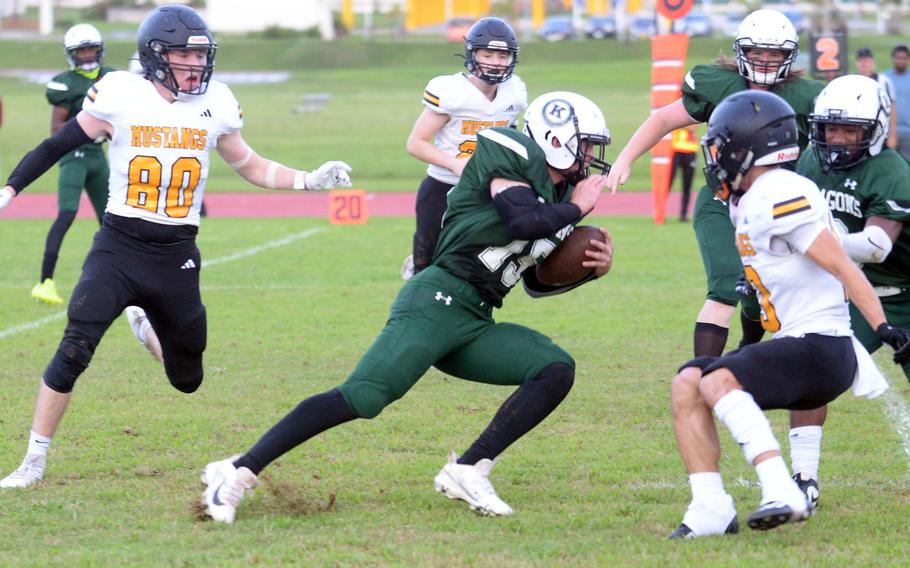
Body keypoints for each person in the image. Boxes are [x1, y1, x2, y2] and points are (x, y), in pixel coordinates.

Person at [198, 91, 613, 524]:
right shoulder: (510, 152)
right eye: (585, 144)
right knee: (363, 396)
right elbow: (523, 221)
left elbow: (531, 281)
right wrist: (579, 207)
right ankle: (238, 470)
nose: (589, 157)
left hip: (475, 317)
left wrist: (588, 268)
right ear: (554, 136)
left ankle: (470, 468)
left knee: (553, 367)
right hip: (435, 301)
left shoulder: (558, 193)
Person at [0, 5, 352, 489]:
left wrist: (309, 181)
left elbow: (250, 165)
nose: (195, 64)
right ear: (156, 55)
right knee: (75, 345)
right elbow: (57, 144)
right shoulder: (121, 93)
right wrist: (12, 187)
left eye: (200, 55)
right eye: (185, 54)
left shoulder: (218, 102)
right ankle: (32, 462)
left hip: (176, 252)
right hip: (119, 244)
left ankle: (144, 325)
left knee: (188, 379)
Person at [668, 89, 910, 539]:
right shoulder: (755, 196)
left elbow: (840, 262)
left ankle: (783, 489)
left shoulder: (779, 192)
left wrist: (880, 325)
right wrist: (747, 343)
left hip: (822, 347)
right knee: (687, 382)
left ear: (746, 148)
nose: (715, 156)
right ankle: (710, 508)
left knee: (717, 381)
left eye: (722, 146)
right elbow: (763, 292)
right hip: (795, 343)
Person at [605, 9, 825, 358]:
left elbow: (829, 151)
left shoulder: (808, 96)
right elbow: (663, 118)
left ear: (789, 56)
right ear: (741, 51)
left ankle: (746, 352)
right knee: (726, 286)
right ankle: (698, 379)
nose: (765, 61)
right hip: (724, 199)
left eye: (774, 54)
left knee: (759, 292)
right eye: (757, 52)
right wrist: (625, 158)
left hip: (778, 207)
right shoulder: (718, 84)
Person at [784, 74, 910, 509]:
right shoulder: (810, 163)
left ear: (872, 130)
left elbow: (876, 246)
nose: (836, 139)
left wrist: (822, 240)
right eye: (829, 128)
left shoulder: (890, 169)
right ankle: (803, 478)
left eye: (849, 129)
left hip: (904, 291)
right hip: (854, 293)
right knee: (812, 372)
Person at [401, 17, 527, 280]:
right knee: (426, 267)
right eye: (488, 54)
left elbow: (510, 137)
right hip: (444, 187)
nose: (495, 61)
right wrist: (456, 164)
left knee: (476, 265)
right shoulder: (452, 91)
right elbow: (415, 143)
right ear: (472, 54)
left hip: (485, 191)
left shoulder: (514, 93)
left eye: (502, 55)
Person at [30, 24, 114, 305]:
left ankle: (111, 277)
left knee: (112, 221)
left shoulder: (112, 78)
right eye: (81, 50)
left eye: (91, 48)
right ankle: (45, 282)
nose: (87, 54)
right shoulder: (65, 84)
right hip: (73, 155)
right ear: (71, 54)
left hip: (98, 158)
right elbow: (57, 130)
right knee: (66, 214)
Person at [855, 48, 898, 149]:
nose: (863, 63)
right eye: (861, 60)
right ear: (857, 62)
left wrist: (893, 135)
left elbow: (891, 108)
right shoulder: (852, 80)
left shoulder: (884, 81)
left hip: (880, 129)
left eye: (866, 60)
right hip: (857, 127)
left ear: (872, 62)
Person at [884, 45, 910, 162]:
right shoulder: (884, 78)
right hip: (889, 132)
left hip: (908, 132)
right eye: (898, 58)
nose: (901, 61)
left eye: (904, 58)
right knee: (890, 164)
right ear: (893, 59)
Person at [669, 125, 697, 222]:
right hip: (674, 150)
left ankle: (683, 215)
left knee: (687, 185)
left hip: (690, 150)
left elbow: (693, 128)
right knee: (667, 182)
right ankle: (660, 213)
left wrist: (679, 122)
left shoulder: (692, 112)